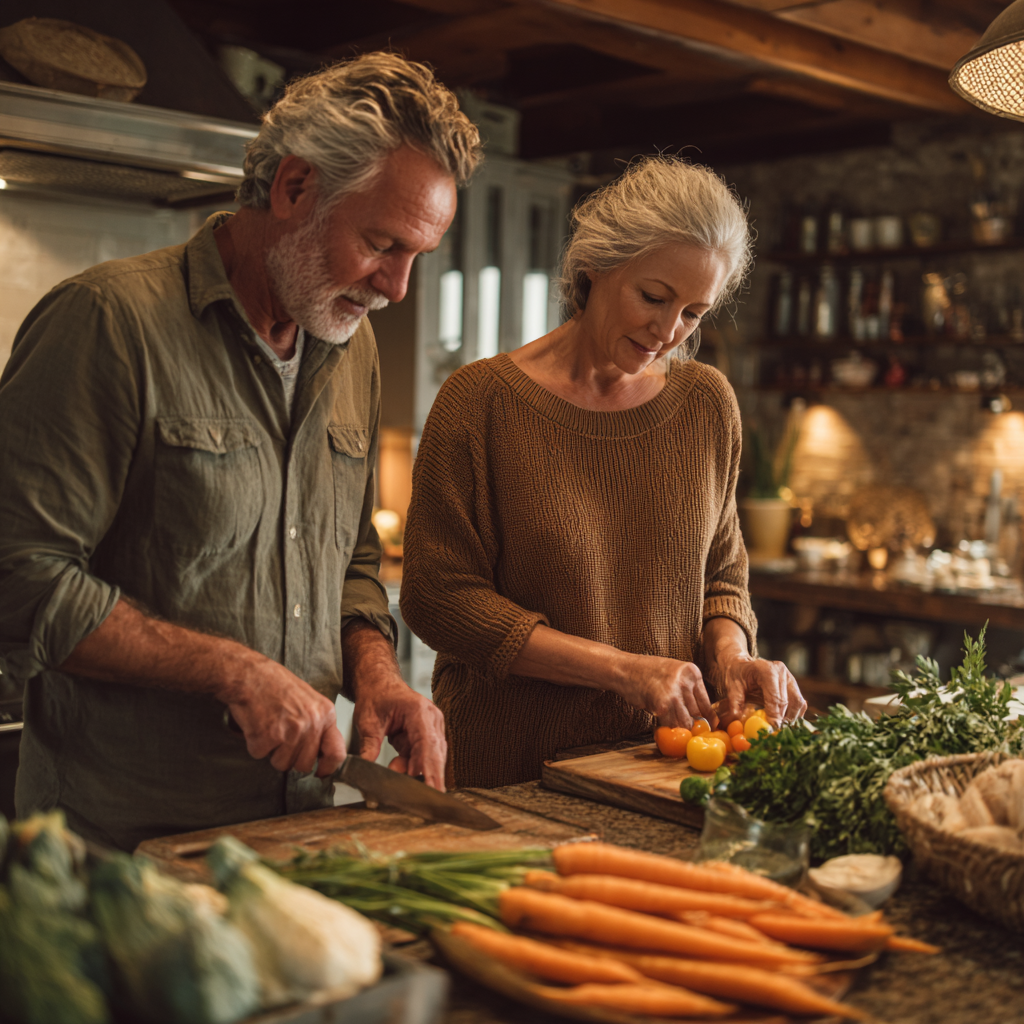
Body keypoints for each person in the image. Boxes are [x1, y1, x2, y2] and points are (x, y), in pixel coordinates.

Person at [0, 53, 482, 850]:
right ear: (293, 188)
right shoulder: (108, 322)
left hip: (296, 825)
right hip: (126, 843)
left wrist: (377, 672)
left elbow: (353, 558)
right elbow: (17, 571)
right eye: (381, 243)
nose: (397, 287)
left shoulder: (349, 345)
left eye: (416, 257)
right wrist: (233, 669)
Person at [401, 156, 806, 788]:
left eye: (694, 313)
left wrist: (732, 654)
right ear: (595, 264)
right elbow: (439, 599)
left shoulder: (706, 404)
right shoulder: (479, 402)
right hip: (512, 771)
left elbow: (721, 575)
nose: (668, 331)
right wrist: (621, 669)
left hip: (664, 769)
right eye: (654, 297)